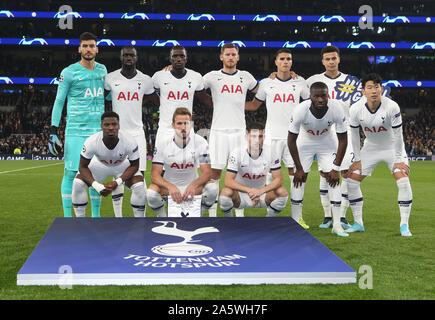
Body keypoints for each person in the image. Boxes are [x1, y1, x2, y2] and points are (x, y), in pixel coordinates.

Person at [245, 48, 309, 226]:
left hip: (294, 137)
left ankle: (298, 217)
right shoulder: (266, 82)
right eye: (282, 59)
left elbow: (310, 104)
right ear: (276, 62)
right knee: (269, 177)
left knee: (296, 175)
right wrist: (232, 105)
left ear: (292, 62)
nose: (286, 62)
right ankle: (269, 214)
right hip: (272, 136)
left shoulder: (300, 82)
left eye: (288, 59)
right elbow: (254, 105)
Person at [345, 73, 413, 237]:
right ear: (363, 91)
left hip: (392, 147)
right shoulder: (355, 109)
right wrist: (357, 159)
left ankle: (404, 225)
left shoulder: (392, 106)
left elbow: (398, 135)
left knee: (402, 177)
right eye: (369, 87)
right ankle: (358, 223)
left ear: (381, 89)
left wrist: (398, 159)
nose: (374, 90)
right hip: (370, 147)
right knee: (351, 181)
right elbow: (354, 135)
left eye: (376, 86)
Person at [49, 32, 107, 218]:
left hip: (98, 132)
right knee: (71, 173)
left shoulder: (103, 70)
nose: (88, 49)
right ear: (79, 48)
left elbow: (109, 94)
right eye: (85, 46)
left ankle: (95, 217)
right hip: (76, 131)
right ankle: (68, 218)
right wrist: (53, 130)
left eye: (92, 46)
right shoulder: (68, 72)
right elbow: (59, 101)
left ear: (96, 49)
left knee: (95, 174)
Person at [203, 43, 259, 217]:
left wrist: (276, 77)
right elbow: (194, 89)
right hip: (218, 132)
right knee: (215, 172)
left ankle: (239, 215)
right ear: (221, 57)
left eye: (233, 54)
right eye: (227, 54)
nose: (230, 57)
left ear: (238, 57)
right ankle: (213, 214)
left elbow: (264, 91)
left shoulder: (246, 77)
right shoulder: (212, 76)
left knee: (240, 173)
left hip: (239, 132)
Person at [287, 82, 348, 237]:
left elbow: (343, 140)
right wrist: (299, 168)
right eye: (317, 96)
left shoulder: (336, 108)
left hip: (327, 141)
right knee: (298, 178)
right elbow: (291, 141)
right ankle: (296, 220)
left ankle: (336, 224)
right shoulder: (300, 110)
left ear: (328, 96)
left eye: (324, 96)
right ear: (310, 97)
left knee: (333, 178)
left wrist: (336, 168)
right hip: (305, 141)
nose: (320, 99)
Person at [104, 45, 159, 217]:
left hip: (137, 134)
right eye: (126, 55)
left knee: (139, 178)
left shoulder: (145, 80)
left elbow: (152, 97)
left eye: (132, 55)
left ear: (136, 58)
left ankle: (139, 220)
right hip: (116, 135)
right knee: (116, 176)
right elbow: (105, 98)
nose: (129, 57)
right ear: (121, 57)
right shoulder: (110, 78)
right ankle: (119, 217)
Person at [306, 45, 355, 229]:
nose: (331, 62)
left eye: (334, 58)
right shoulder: (313, 81)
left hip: (346, 131)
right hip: (324, 133)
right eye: (327, 59)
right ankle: (327, 216)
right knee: (325, 174)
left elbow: (357, 110)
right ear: (322, 61)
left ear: (339, 59)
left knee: (346, 174)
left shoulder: (351, 82)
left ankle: (341, 216)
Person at [72, 111, 146, 218]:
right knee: (77, 183)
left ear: (119, 126)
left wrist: (117, 182)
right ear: (101, 126)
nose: (111, 128)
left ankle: (139, 223)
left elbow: (135, 165)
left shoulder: (130, 141)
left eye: (114, 124)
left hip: (122, 165)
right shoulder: (91, 141)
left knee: (139, 186)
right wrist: (96, 186)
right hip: (99, 165)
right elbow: (82, 166)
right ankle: (80, 223)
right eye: (107, 125)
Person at [147, 107, 218, 217]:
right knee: (151, 193)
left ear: (191, 125)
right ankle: (163, 217)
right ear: (173, 125)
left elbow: (207, 173)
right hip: (169, 189)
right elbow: (155, 175)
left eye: (186, 123)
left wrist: (193, 186)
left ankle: (197, 214)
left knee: (213, 188)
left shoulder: (201, 142)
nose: (183, 127)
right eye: (179, 123)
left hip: (193, 187)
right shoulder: (162, 145)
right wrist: (170, 186)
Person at [219, 122, 288, 217]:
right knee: (225, 193)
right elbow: (228, 181)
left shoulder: (271, 152)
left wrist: (261, 191)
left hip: (262, 195)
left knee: (282, 192)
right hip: (240, 195)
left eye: (260, 137)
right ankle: (230, 221)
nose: (257, 140)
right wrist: (250, 190)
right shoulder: (236, 153)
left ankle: (269, 220)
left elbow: (279, 179)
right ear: (246, 137)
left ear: (263, 138)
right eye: (253, 136)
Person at [151, 45, 212, 153]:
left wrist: (225, 104)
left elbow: (205, 98)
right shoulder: (158, 76)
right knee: (161, 167)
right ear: (170, 59)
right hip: (165, 130)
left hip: (187, 129)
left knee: (189, 167)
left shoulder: (195, 77)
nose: (178, 59)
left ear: (186, 58)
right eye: (175, 56)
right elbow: (151, 95)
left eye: (181, 56)